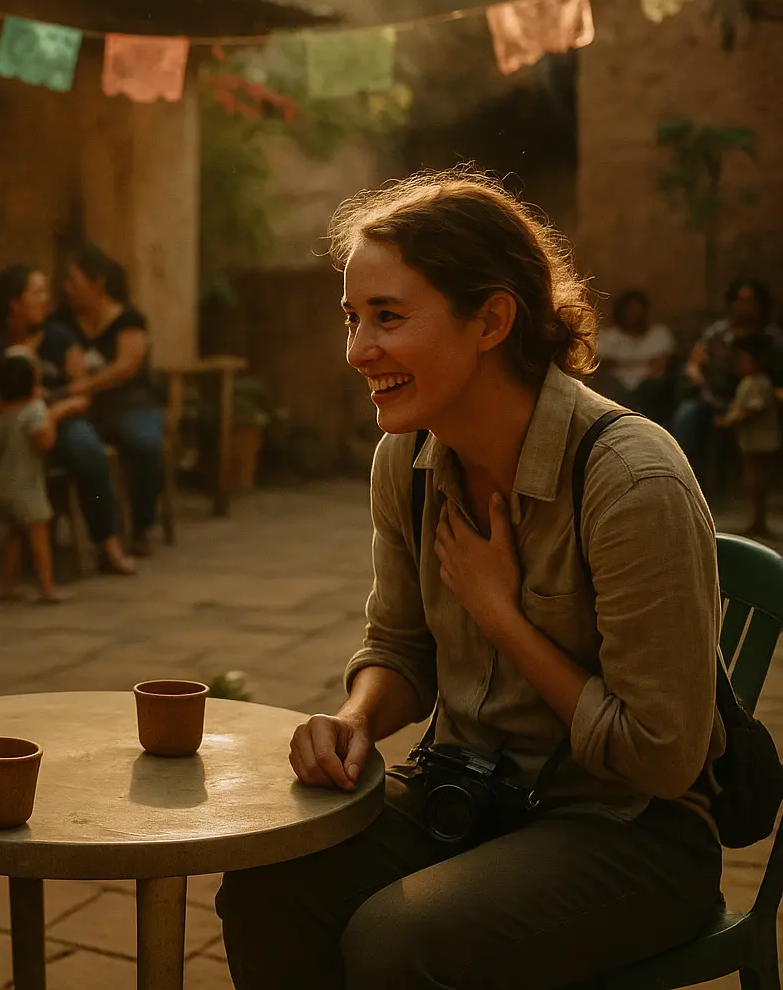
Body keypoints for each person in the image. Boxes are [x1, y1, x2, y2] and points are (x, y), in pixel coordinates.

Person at [216, 170, 725, 989]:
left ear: (491, 319)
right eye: (352, 319)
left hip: (629, 832)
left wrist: (501, 615)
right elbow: (400, 649)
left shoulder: (632, 481)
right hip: (470, 795)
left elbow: (660, 759)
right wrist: (353, 720)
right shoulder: (409, 460)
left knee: (395, 942)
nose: (357, 352)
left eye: (387, 317)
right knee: (269, 886)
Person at [0, 264, 136, 577]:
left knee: (86, 448)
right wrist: (11, 404)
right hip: (10, 421)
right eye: (36, 293)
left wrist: (50, 413)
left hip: (58, 418)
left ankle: (108, 545)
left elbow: (82, 394)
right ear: (15, 302)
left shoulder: (60, 336)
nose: (45, 300)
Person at [58, 245, 167, 558]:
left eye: (74, 280)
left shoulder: (129, 319)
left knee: (144, 443)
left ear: (98, 283)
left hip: (130, 404)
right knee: (79, 447)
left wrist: (84, 385)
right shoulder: (64, 322)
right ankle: (105, 531)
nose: (67, 288)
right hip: (85, 409)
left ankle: (142, 525)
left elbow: (125, 367)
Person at [672, 278, 780, 491]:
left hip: (754, 400)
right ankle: (679, 481)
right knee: (687, 414)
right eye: (741, 300)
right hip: (713, 398)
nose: (745, 306)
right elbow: (693, 363)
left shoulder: (772, 337)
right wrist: (699, 379)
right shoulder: (717, 333)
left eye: (751, 301)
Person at [0, 352, 63, 604]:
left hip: (1, 486)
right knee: (38, 536)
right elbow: (46, 442)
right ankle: (47, 587)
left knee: (12, 536)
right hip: (26, 487)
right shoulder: (34, 411)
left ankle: (6, 586)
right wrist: (54, 415)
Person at [716, 334, 778, 537]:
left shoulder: (760, 383)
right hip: (750, 442)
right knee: (752, 482)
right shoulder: (748, 382)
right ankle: (756, 520)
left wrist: (730, 420)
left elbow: (753, 408)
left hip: (761, 442)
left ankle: (760, 521)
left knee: (757, 481)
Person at [592, 288, 676, 422]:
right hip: (617, 388)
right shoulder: (608, 337)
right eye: (630, 310)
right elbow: (602, 364)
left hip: (649, 388)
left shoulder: (659, 334)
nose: (634, 315)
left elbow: (661, 367)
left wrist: (624, 363)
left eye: (638, 310)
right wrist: (645, 362)